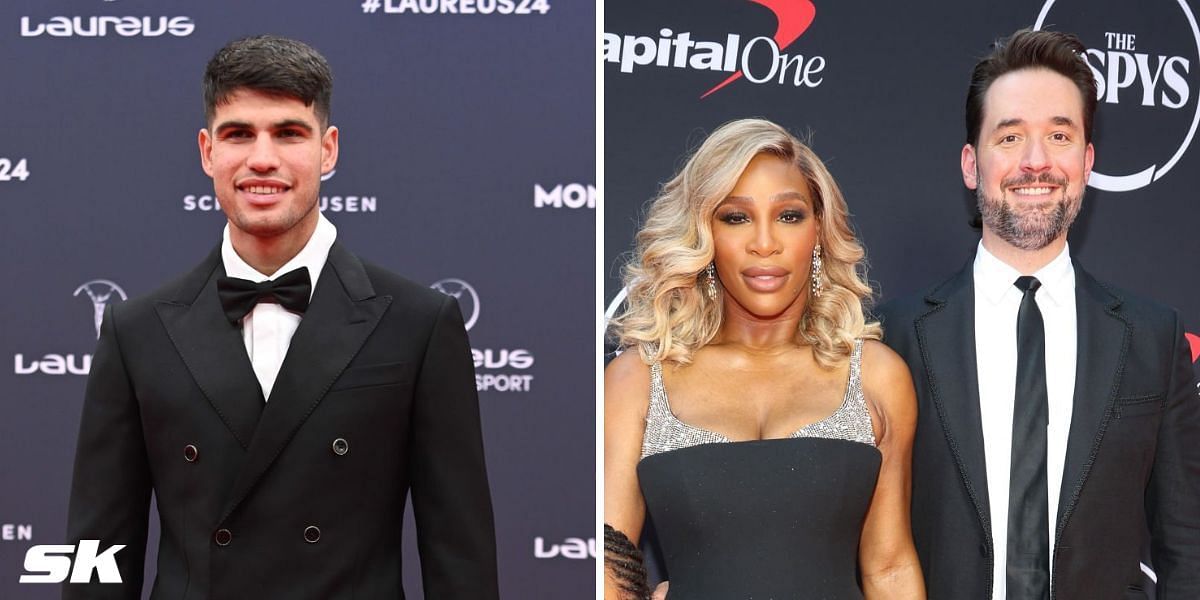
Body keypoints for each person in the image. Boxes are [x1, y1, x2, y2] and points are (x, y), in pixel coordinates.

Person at [63, 35, 499, 599]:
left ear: (328, 149)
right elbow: (99, 553)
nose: (262, 158)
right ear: (206, 152)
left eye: (289, 132)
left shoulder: (419, 323)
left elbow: (459, 557)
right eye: (238, 133)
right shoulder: (136, 331)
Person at [876, 29, 1200, 598]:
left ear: (1087, 161)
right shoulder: (895, 338)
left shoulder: (1153, 337)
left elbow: (1187, 544)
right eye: (1010, 137)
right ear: (971, 164)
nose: (1036, 161)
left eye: (1058, 134)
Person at [605, 118, 925, 599]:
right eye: (735, 217)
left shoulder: (876, 376)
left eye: (789, 216)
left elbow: (889, 568)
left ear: (818, 230)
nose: (764, 242)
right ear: (704, 232)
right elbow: (610, 565)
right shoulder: (639, 378)